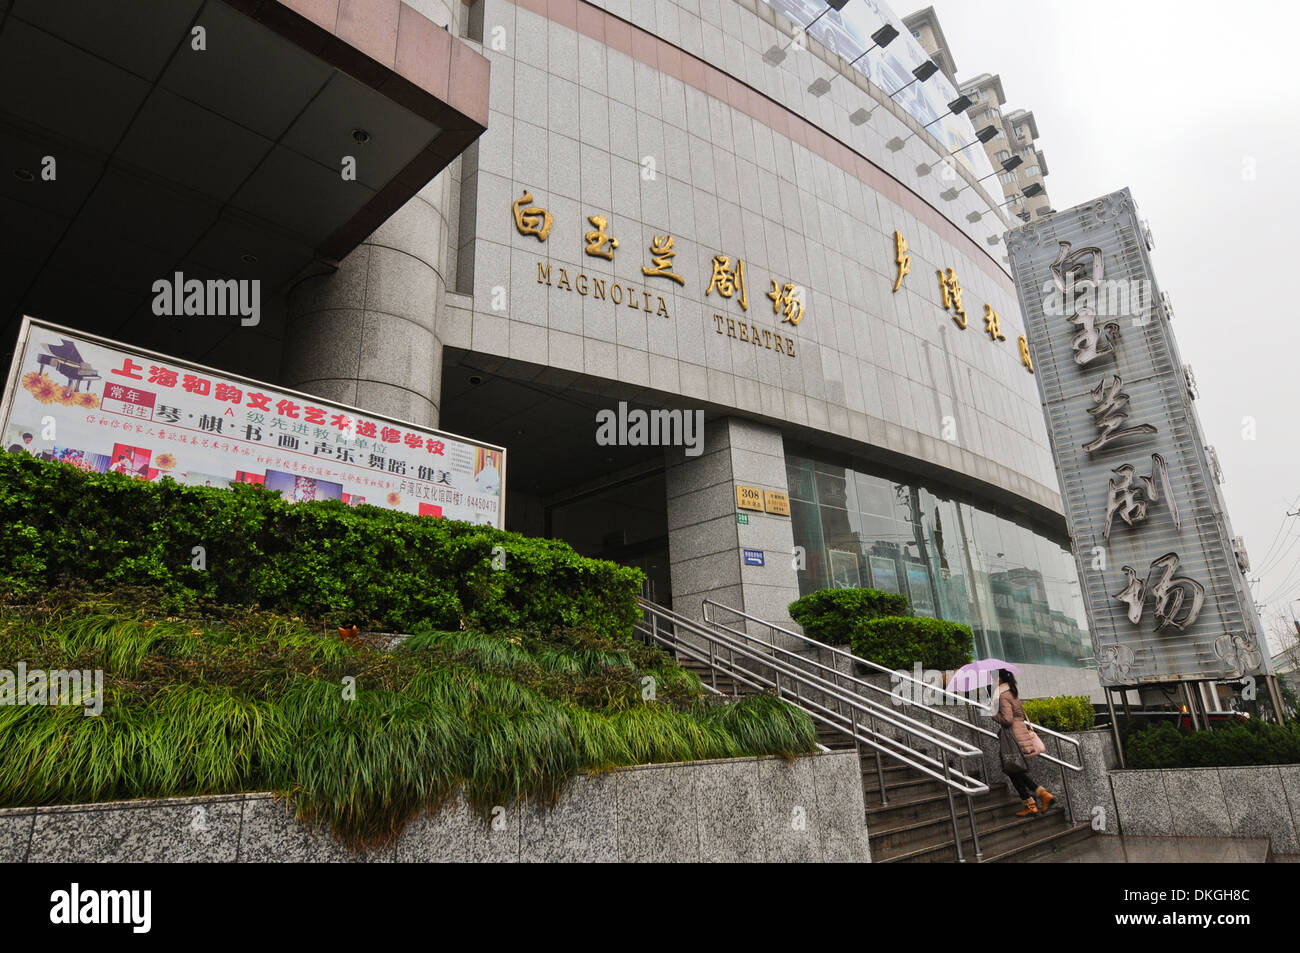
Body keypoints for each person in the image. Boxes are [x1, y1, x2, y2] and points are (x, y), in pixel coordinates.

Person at [991, 669, 1054, 817]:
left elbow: (1007, 720)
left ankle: (1036, 800)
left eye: (993, 678)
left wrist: (994, 714)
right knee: (1015, 771)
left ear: (1000, 680)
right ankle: (1039, 797)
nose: (991, 681)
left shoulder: (1002, 695)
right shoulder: (1012, 693)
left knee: (1013, 769)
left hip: (1012, 737)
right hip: (1020, 733)